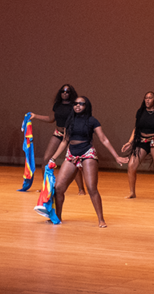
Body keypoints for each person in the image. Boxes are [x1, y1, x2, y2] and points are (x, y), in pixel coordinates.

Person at [49, 96, 130, 228]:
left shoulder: (92, 121)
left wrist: (116, 156)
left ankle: (101, 219)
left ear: (86, 106)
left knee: (91, 188)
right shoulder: (70, 121)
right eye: (75, 104)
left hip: (87, 153)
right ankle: (57, 216)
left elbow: (104, 139)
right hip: (72, 153)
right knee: (58, 188)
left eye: (81, 104)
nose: (78, 106)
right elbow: (64, 141)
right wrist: (53, 158)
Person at [29, 84, 87, 195]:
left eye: (67, 91)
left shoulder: (74, 106)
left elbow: (80, 119)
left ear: (71, 93)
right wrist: (35, 116)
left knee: (73, 161)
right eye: (63, 91)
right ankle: (46, 186)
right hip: (58, 133)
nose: (65, 93)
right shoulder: (57, 105)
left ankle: (81, 189)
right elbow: (51, 119)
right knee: (46, 159)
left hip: (70, 135)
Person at [120, 92, 154, 200]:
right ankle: (132, 192)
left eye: (150, 98)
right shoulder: (140, 112)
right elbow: (136, 128)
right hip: (142, 140)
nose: (147, 100)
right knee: (131, 165)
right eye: (146, 98)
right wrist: (130, 142)